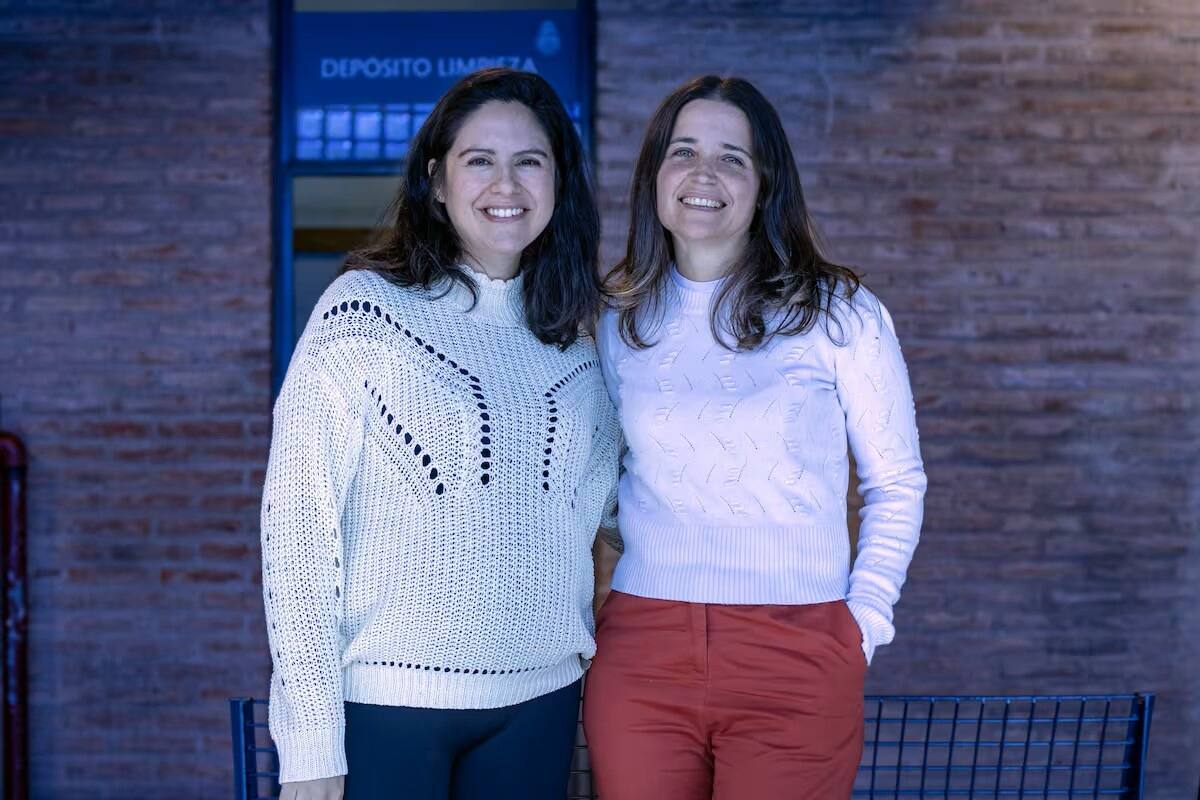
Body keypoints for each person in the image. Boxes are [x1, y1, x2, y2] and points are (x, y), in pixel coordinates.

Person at [260, 67, 620, 800]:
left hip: (541, 703)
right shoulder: (363, 314)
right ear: (436, 179)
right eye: (479, 160)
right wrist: (308, 743)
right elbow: (297, 532)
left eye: (530, 161)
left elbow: (610, 515)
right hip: (391, 709)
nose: (506, 184)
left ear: (559, 182)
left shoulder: (582, 346)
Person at [584, 75, 927, 799]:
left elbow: (898, 484)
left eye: (732, 158)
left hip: (798, 646)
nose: (703, 175)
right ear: (655, 177)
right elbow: (603, 486)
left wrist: (860, 625)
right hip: (643, 650)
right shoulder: (617, 319)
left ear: (765, 184)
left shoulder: (840, 314)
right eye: (684, 152)